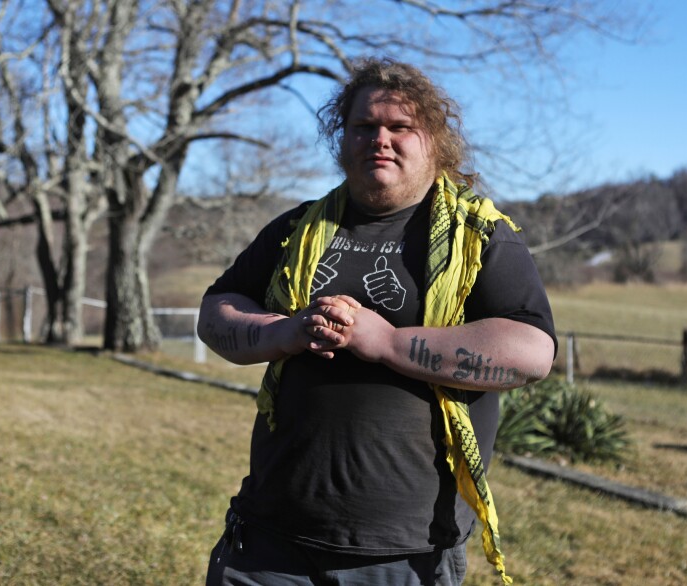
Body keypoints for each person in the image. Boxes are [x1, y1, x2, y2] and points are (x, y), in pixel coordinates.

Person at [199, 57, 557, 586]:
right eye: (363, 127)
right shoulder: (299, 227)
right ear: (342, 139)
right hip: (270, 537)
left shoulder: (479, 236)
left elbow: (531, 352)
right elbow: (217, 308)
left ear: (434, 140)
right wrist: (283, 332)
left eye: (399, 127)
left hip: (401, 552)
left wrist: (387, 342)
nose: (379, 139)